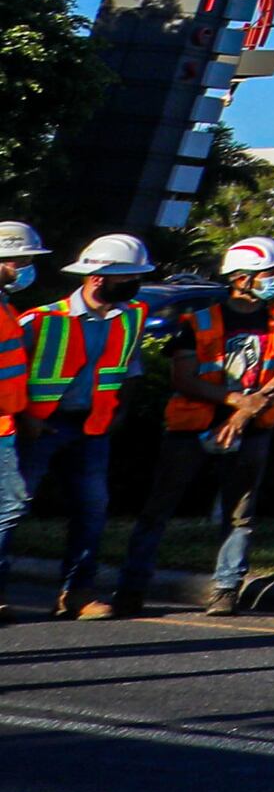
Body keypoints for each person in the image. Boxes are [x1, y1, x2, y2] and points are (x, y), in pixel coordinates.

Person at [120, 237, 274, 615]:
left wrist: (245, 414)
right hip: (190, 430)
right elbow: (183, 377)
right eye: (270, 273)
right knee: (158, 509)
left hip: (252, 430)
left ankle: (226, 590)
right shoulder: (198, 322)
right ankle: (131, 588)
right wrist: (236, 402)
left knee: (239, 516)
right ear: (241, 278)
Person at [25, 237, 158, 620]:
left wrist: (121, 410)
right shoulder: (41, 320)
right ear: (98, 279)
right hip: (40, 429)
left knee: (92, 509)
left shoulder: (131, 315)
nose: (136, 283)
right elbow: (10, 377)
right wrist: (27, 418)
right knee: (11, 510)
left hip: (92, 427)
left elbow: (130, 367)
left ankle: (77, 594)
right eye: (129, 276)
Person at [0, 221, 43, 567]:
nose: (27, 268)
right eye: (20, 261)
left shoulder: (6, 307)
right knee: (10, 505)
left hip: (6, 427)